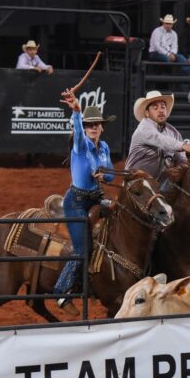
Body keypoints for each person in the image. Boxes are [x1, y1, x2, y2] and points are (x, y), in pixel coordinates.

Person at [53, 88, 115, 315]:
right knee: (82, 248)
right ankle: (60, 291)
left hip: (96, 197)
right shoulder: (80, 145)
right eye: (90, 124)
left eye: (97, 124)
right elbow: (77, 133)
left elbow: (110, 176)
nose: (93, 128)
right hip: (76, 201)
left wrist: (103, 175)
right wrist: (77, 113)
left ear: (102, 127)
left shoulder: (105, 147)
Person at [125, 90, 190, 188]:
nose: (161, 110)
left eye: (163, 107)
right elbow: (160, 140)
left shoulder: (173, 132)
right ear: (147, 113)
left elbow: (181, 158)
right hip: (136, 183)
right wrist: (184, 145)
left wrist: (184, 166)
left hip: (159, 185)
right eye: (155, 108)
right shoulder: (144, 128)